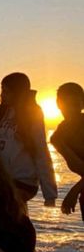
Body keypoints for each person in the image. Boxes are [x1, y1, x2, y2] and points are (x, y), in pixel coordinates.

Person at [0, 72, 57, 252]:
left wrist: (50, 192)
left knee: (16, 229)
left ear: (18, 90)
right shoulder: (1, 112)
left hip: (23, 181)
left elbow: (41, 150)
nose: (2, 93)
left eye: (6, 89)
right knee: (14, 228)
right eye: (1, 89)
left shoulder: (32, 112)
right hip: (4, 181)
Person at [50, 82, 84, 219]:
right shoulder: (59, 135)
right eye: (67, 105)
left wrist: (74, 191)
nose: (71, 110)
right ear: (59, 104)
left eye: (75, 105)